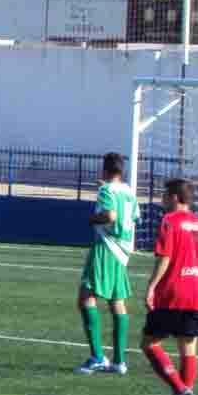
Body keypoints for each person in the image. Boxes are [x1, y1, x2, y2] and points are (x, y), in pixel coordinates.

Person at [140, 178, 198, 395]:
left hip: (173, 293)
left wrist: (151, 287)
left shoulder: (169, 222)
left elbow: (165, 257)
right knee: (188, 349)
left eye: (164, 195)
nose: (161, 199)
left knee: (149, 344)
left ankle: (180, 389)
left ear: (173, 197)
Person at [75, 152, 138, 374]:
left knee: (85, 299)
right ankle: (119, 361)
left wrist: (93, 219)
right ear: (122, 171)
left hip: (105, 247)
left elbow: (110, 216)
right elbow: (133, 218)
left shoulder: (106, 190)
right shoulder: (129, 192)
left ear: (104, 169)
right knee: (116, 301)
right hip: (122, 251)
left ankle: (97, 357)